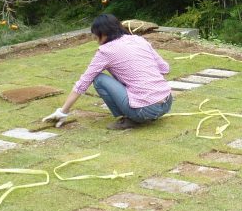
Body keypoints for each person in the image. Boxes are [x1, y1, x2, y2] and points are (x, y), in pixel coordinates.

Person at [42, 14, 173, 130]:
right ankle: (145, 112)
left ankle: (130, 118)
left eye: (95, 34)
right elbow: (164, 68)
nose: (95, 38)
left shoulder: (105, 51)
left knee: (98, 79)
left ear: (103, 33)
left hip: (144, 111)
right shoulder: (138, 39)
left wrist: (63, 111)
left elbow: (83, 83)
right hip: (167, 103)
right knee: (122, 78)